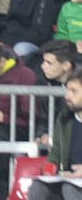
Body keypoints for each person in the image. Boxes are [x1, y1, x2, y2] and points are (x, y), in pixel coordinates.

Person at [32, 71, 82, 200]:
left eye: (74, 91)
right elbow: (56, 151)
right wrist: (49, 167)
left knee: (69, 189)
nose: (67, 96)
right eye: (67, 90)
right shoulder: (65, 117)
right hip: (69, 179)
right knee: (38, 186)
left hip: (73, 186)